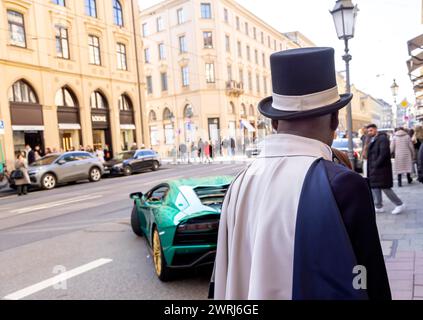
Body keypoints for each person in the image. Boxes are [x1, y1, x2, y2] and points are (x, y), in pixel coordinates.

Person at [212, 47, 391, 300]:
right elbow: (367, 278)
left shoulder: (239, 183)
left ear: (274, 123)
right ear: (335, 120)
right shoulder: (343, 185)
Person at [366, 124, 405, 215]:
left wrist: (375, 164)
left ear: (376, 130)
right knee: (375, 187)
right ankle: (378, 206)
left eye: (371, 130)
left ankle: (399, 204)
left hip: (381, 169)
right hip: (374, 169)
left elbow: (384, 154)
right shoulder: (372, 139)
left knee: (385, 187)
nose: (369, 132)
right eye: (368, 131)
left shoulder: (382, 139)